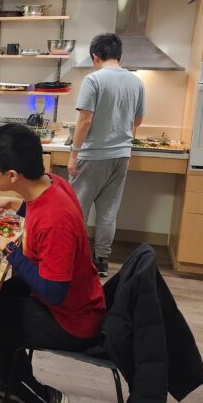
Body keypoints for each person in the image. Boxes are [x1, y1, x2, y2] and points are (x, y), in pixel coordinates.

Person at [0, 123, 105, 403]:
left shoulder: (56, 220)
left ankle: (42, 399)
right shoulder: (53, 184)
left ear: (12, 175)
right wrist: (11, 204)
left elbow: (55, 291)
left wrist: (7, 247)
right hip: (72, 300)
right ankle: (13, 377)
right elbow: (36, 210)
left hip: (72, 319)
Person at [68, 33, 145, 277]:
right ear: (119, 55)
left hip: (93, 155)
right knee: (108, 211)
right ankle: (102, 260)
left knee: (78, 208)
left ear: (95, 56)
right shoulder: (136, 82)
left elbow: (85, 119)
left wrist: (74, 153)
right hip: (121, 155)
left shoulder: (94, 79)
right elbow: (138, 120)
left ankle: (76, 258)